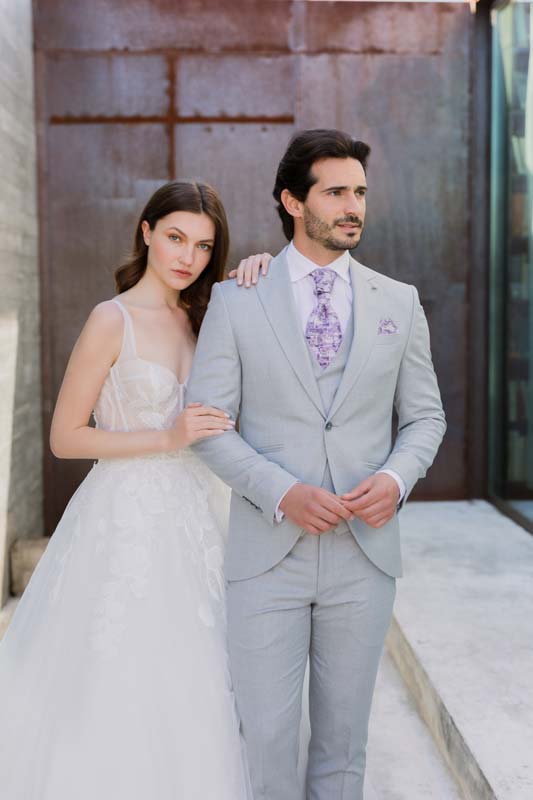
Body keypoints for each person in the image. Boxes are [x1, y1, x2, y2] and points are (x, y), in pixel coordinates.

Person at [187, 128, 447, 800]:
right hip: (267, 558)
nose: (352, 206)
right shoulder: (238, 298)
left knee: (343, 747)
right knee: (267, 741)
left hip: (364, 557)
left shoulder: (399, 301)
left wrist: (395, 479)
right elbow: (206, 425)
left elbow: (425, 417)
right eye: (335, 193)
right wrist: (282, 492)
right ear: (293, 201)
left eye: (359, 192)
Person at [0, 179, 271, 799]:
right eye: (175, 237)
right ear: (146, 232)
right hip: (127, 516)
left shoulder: (209, 316)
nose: (188, 257)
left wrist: (262, 271)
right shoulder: (111, 319)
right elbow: (65, 437)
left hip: (204, 515)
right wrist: (167, 436)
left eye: (204, 246)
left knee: (204, 669)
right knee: (123, 666)